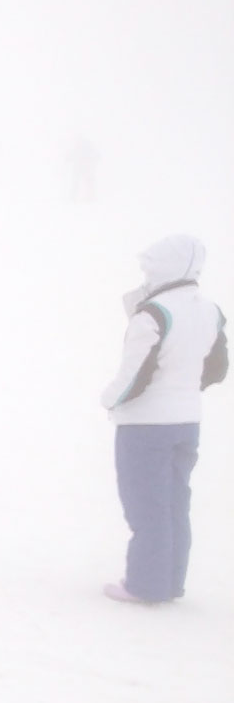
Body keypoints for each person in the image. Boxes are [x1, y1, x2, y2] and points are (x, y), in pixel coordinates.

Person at [100, 235, 227, 603]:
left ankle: (145, 585)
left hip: (145, 426)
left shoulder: (153, 313)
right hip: (187, 422)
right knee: (174, 503)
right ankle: (170, 582)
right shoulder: (209, 311)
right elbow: (217, 369)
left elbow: (134, 375)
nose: (146, 274)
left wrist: (108, 399)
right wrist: (183, 388)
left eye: (149, 268)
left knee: (146, 505)